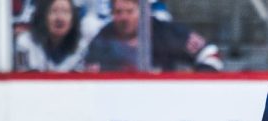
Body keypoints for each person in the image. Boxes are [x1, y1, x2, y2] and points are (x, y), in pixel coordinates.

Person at [84, 0, 223, 72]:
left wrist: (198, 82)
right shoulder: (102, 39)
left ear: (144, 11)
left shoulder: (167, 32)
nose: (124, 18)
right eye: (118, 12)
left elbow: (210, 53)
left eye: (130, 11)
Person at [16, 0, 89, 71]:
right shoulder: (25, 43)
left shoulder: (80, 47)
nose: (60, 18)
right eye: (53, 11)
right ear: (42, 16)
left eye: (65, 12)